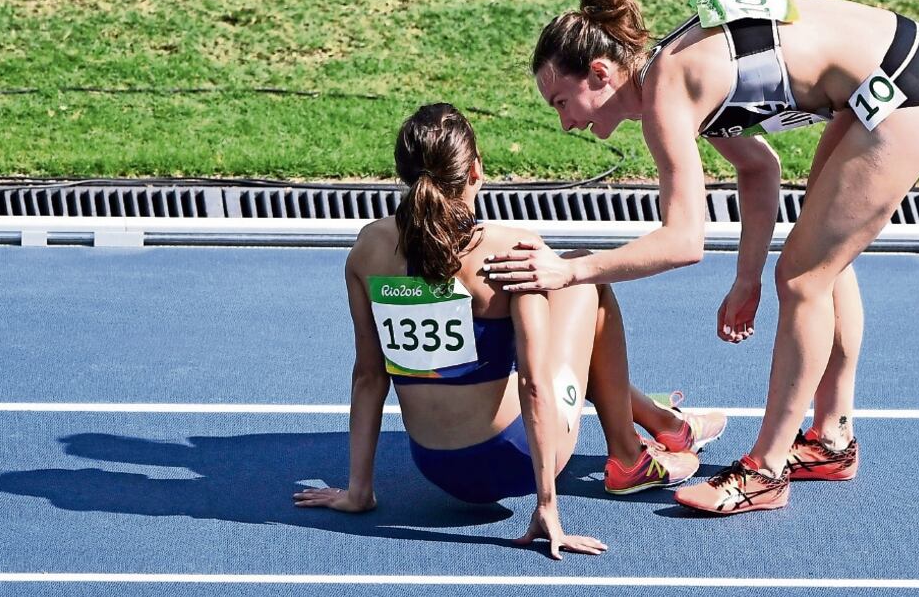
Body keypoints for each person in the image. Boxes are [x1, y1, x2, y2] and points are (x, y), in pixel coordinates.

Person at [483, 0, 919, 515]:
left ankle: (765, 471)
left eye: (562, 101)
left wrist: (569, 272)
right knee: (824, 256)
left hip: (907, 87)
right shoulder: (674, 72)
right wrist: (746, 276)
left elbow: (683, 241)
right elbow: (760, 169)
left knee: (805, 276)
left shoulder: (669, 88)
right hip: (898, 69)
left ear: (599, 73)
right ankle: (831, 438)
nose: (566, 121)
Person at [292, 103, 725, 555]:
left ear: (403, 173)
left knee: (560, 302)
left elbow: (369, 375)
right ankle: (629, 457)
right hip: (514, 461)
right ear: (476, 170)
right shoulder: (510, 250)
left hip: (435, 466)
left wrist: (358, 489)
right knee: (583, 275)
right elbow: (535, 384)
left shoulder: (368, 249)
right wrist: (546, 506)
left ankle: (661, 420)